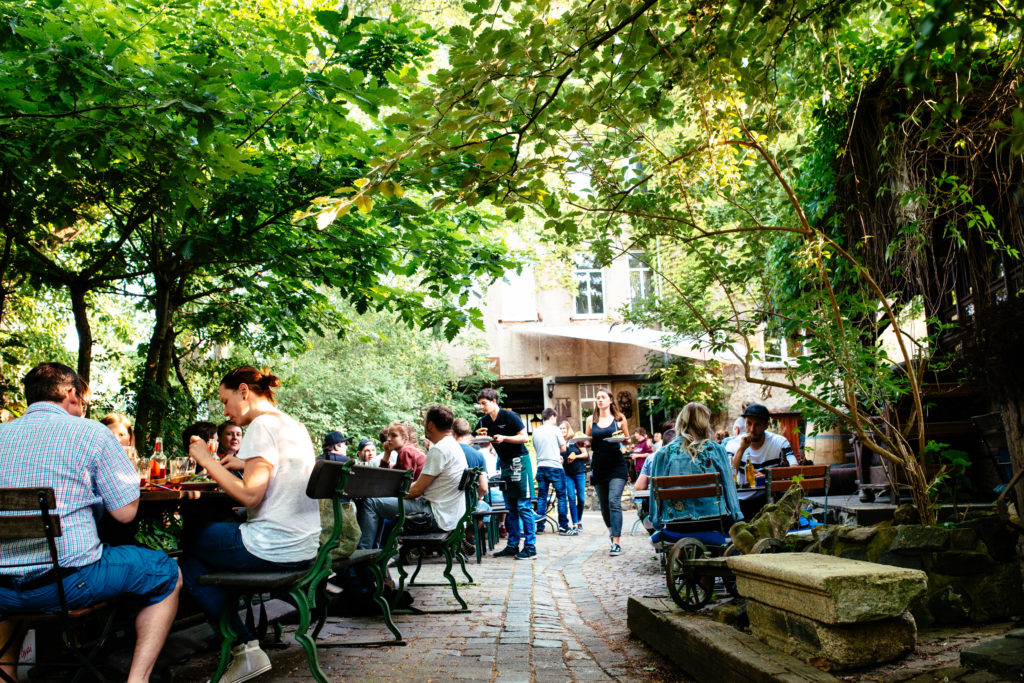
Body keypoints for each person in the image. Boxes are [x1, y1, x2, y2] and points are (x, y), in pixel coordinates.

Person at [0, 363, 181, 683]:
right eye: (82, 399)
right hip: (69, 584)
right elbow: (125, 514)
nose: (83, 406)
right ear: (70, 394)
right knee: (168, 572)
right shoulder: (91, 432)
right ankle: (136, 680)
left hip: (4, 592)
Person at [181, 366, 320, 683]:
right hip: (304, 546)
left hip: (272, 548)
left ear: (244, 391)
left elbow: (250, 495)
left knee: (190, 549)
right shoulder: (290, 425)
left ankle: (245, 647)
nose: (225, 410)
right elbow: (277, 470)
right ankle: (244, 645)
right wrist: (241, 463)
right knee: (199, 557)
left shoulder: (260, 426)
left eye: (225, 400)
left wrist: (209, 460)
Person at [357, 405, 468, 549]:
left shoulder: (439, 450)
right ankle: (374, 554)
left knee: (371, 502)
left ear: (430, 425)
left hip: (438, 515)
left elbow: (416, 490)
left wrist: (387, 495)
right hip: (452, 514)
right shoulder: (453, 446)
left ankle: (364, 557)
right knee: (378, 502)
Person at [650, 403, 743, 529]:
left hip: (677, 522)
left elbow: (655, 493)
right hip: (714, 520)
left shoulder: (663, 453)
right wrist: (736, 515)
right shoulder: (715, 450)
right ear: (705, 423)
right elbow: (729, 487)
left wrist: (656, 521)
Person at [476, 388, 536, 560]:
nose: (482, 407)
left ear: (494, 401)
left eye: (484, 403)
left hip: (520, 462)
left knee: (523, 506)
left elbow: (524, 438)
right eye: (480, 404)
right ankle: (512, 545)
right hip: (504, 464)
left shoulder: (510, 416)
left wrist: (504, 438)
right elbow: (474, 438)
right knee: (510, 507)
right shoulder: (484, 421)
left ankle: (531, 548)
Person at [586, 387, 629, 556]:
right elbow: (589, 441)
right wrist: (583, 444)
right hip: (599, 466)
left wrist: (624, 441)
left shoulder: (619, 419)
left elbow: (626, 441)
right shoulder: (591, 420)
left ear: (610, 400)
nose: (600, 400)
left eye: (603, 397)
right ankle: (612, 532)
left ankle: (616, 542)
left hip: (617, 465)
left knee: (613, 502)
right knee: (604, 506)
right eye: (598, 398)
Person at [728, 403, 797, 485]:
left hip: (770, 495)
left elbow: (795, 470)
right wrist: (741, 449)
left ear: (766, 426)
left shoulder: (780, 443)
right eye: (749, 423)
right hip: (742, 496)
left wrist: (768, 478)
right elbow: (728, 476)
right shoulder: (733, 445)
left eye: (757, 424)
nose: (752, 429)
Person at [532, 408, 571, 535]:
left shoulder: (536, 431)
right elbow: (563, 448)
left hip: (541, 466)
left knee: (542, 497)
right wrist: (556, 454)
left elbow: (537, 448)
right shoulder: (555, 430)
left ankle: (540, 527)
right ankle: (564, 527)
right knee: (561, 496)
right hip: (555, 467)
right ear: (553, 416)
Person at [560, 420, 588, 534]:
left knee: (581, 498)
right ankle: (575, 524)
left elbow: (585, 454)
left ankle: (580, 520)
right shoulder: (559, 443)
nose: (562, 430)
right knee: (571, 497)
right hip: (567, 473)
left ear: (568, 429)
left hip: (579, 471)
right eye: (560, 429)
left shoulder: (575, 440)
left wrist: (575, 456)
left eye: (564, 428)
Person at [635, 428, 675, 492]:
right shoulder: (690, 458)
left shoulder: (652, 457)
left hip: (659, 499)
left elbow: (639, 486)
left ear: (662, 444)